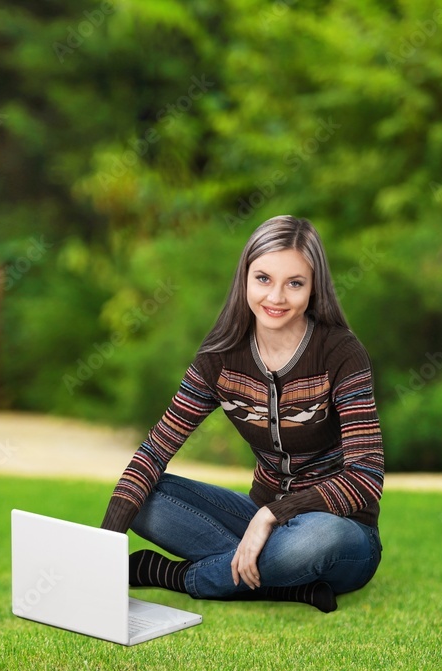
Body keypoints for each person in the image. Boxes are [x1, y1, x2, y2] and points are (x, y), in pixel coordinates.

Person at [100, 215, 384, 613]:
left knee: (314, 541)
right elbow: (155, 450)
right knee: (144, 495)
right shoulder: (220, 358)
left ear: (314, 287)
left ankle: (179, 576)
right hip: (254, 517)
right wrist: (101, 550)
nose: (276, 297)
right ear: (245, 279)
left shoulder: (340, 353)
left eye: (295, 283)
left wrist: (273, 513)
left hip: (341, 530)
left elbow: (366, 477)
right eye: (264, 279)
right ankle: (286, 584)